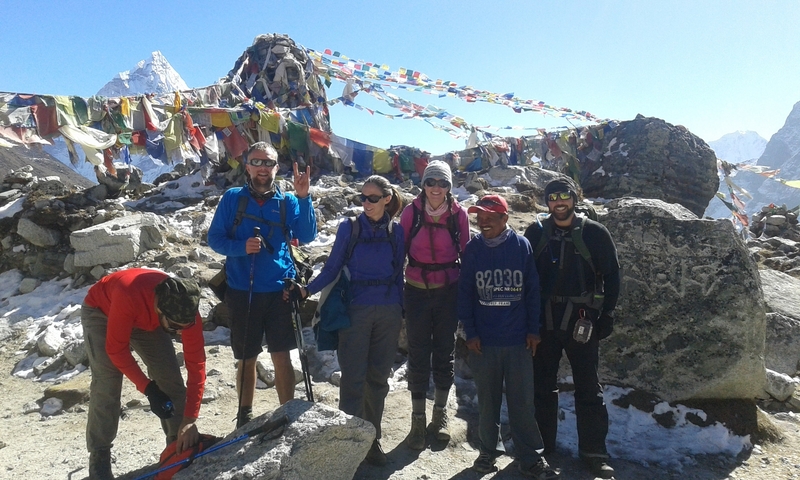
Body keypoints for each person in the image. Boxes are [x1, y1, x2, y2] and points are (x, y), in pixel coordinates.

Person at [296, 175, 405, 466]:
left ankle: (371, 439)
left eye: (372, 198)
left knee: (378, 379)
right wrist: (307, 290)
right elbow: (332, 267)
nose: (365, 203)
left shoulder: (398, 231)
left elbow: (400, 273)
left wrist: (402, 309)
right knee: (353, 379)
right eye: (362, 198)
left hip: (389, 311)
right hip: (356, 310)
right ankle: (348, 443)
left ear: (386, 199)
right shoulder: (350, 228)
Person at [207, 141, 316, 428]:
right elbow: (215, 239)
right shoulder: (232, 199)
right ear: (247, 166)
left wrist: (304, 198)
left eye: (268, 163)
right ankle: (244, 415)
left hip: (280, 290)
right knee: (247, 356)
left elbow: (306, 235)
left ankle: (287, 411)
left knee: (282, 355)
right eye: (257, 162)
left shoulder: (289, 201)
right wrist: (242, 247)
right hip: (243, 290)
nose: (263, 168)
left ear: (276, 167)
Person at [523, 178, 620, 479]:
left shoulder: (594, 233)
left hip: (583, 320)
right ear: (546, 201)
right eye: (553, 197)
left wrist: (607, 314)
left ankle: (594, 452)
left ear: (575, 198)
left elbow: (613, 274)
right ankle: (542, 448)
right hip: (545, 319)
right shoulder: (536, 232)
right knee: (541, 384)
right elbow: (525, 277)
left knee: (588, 385)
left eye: (564, 196)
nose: (559, 202)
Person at [459, 195, 560, 479]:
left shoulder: (521, 246)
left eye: (491, 216)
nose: (484, 221)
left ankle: (530, 458)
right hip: (484, 343)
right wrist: (471, 332)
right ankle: (487, 453)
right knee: (487, 402)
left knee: (522, 403)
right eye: (480, 215)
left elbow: (532, 291)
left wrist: (533, 330)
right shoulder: (472, 250)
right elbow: (465, 294)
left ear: (505, 218)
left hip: (517, 341)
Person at [81, 268, 205, 480]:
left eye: (183, 328)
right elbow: (116, 350)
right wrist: (149, 389)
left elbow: (196, 365)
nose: (178, 332)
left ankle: (177, 444)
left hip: (146, 319)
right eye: (174, 327)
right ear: (160, 309)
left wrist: (190, 419)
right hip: (102, 312)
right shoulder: (129, 294)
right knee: (107, 383)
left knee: (169, 377)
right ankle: (99, 455)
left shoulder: (185, 311)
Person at [399, 160, 469, 449]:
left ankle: (439, 417)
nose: (436, 188)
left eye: (443, 183)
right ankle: (417, 420)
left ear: (450, 186)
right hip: (415, 291)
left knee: (444, 352)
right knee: (417, 354)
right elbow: (398, 252)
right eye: (431, 182)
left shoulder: (459, 215)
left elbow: (467, 253)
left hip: (448, 292)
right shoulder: (410, 213)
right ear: (423, 185)